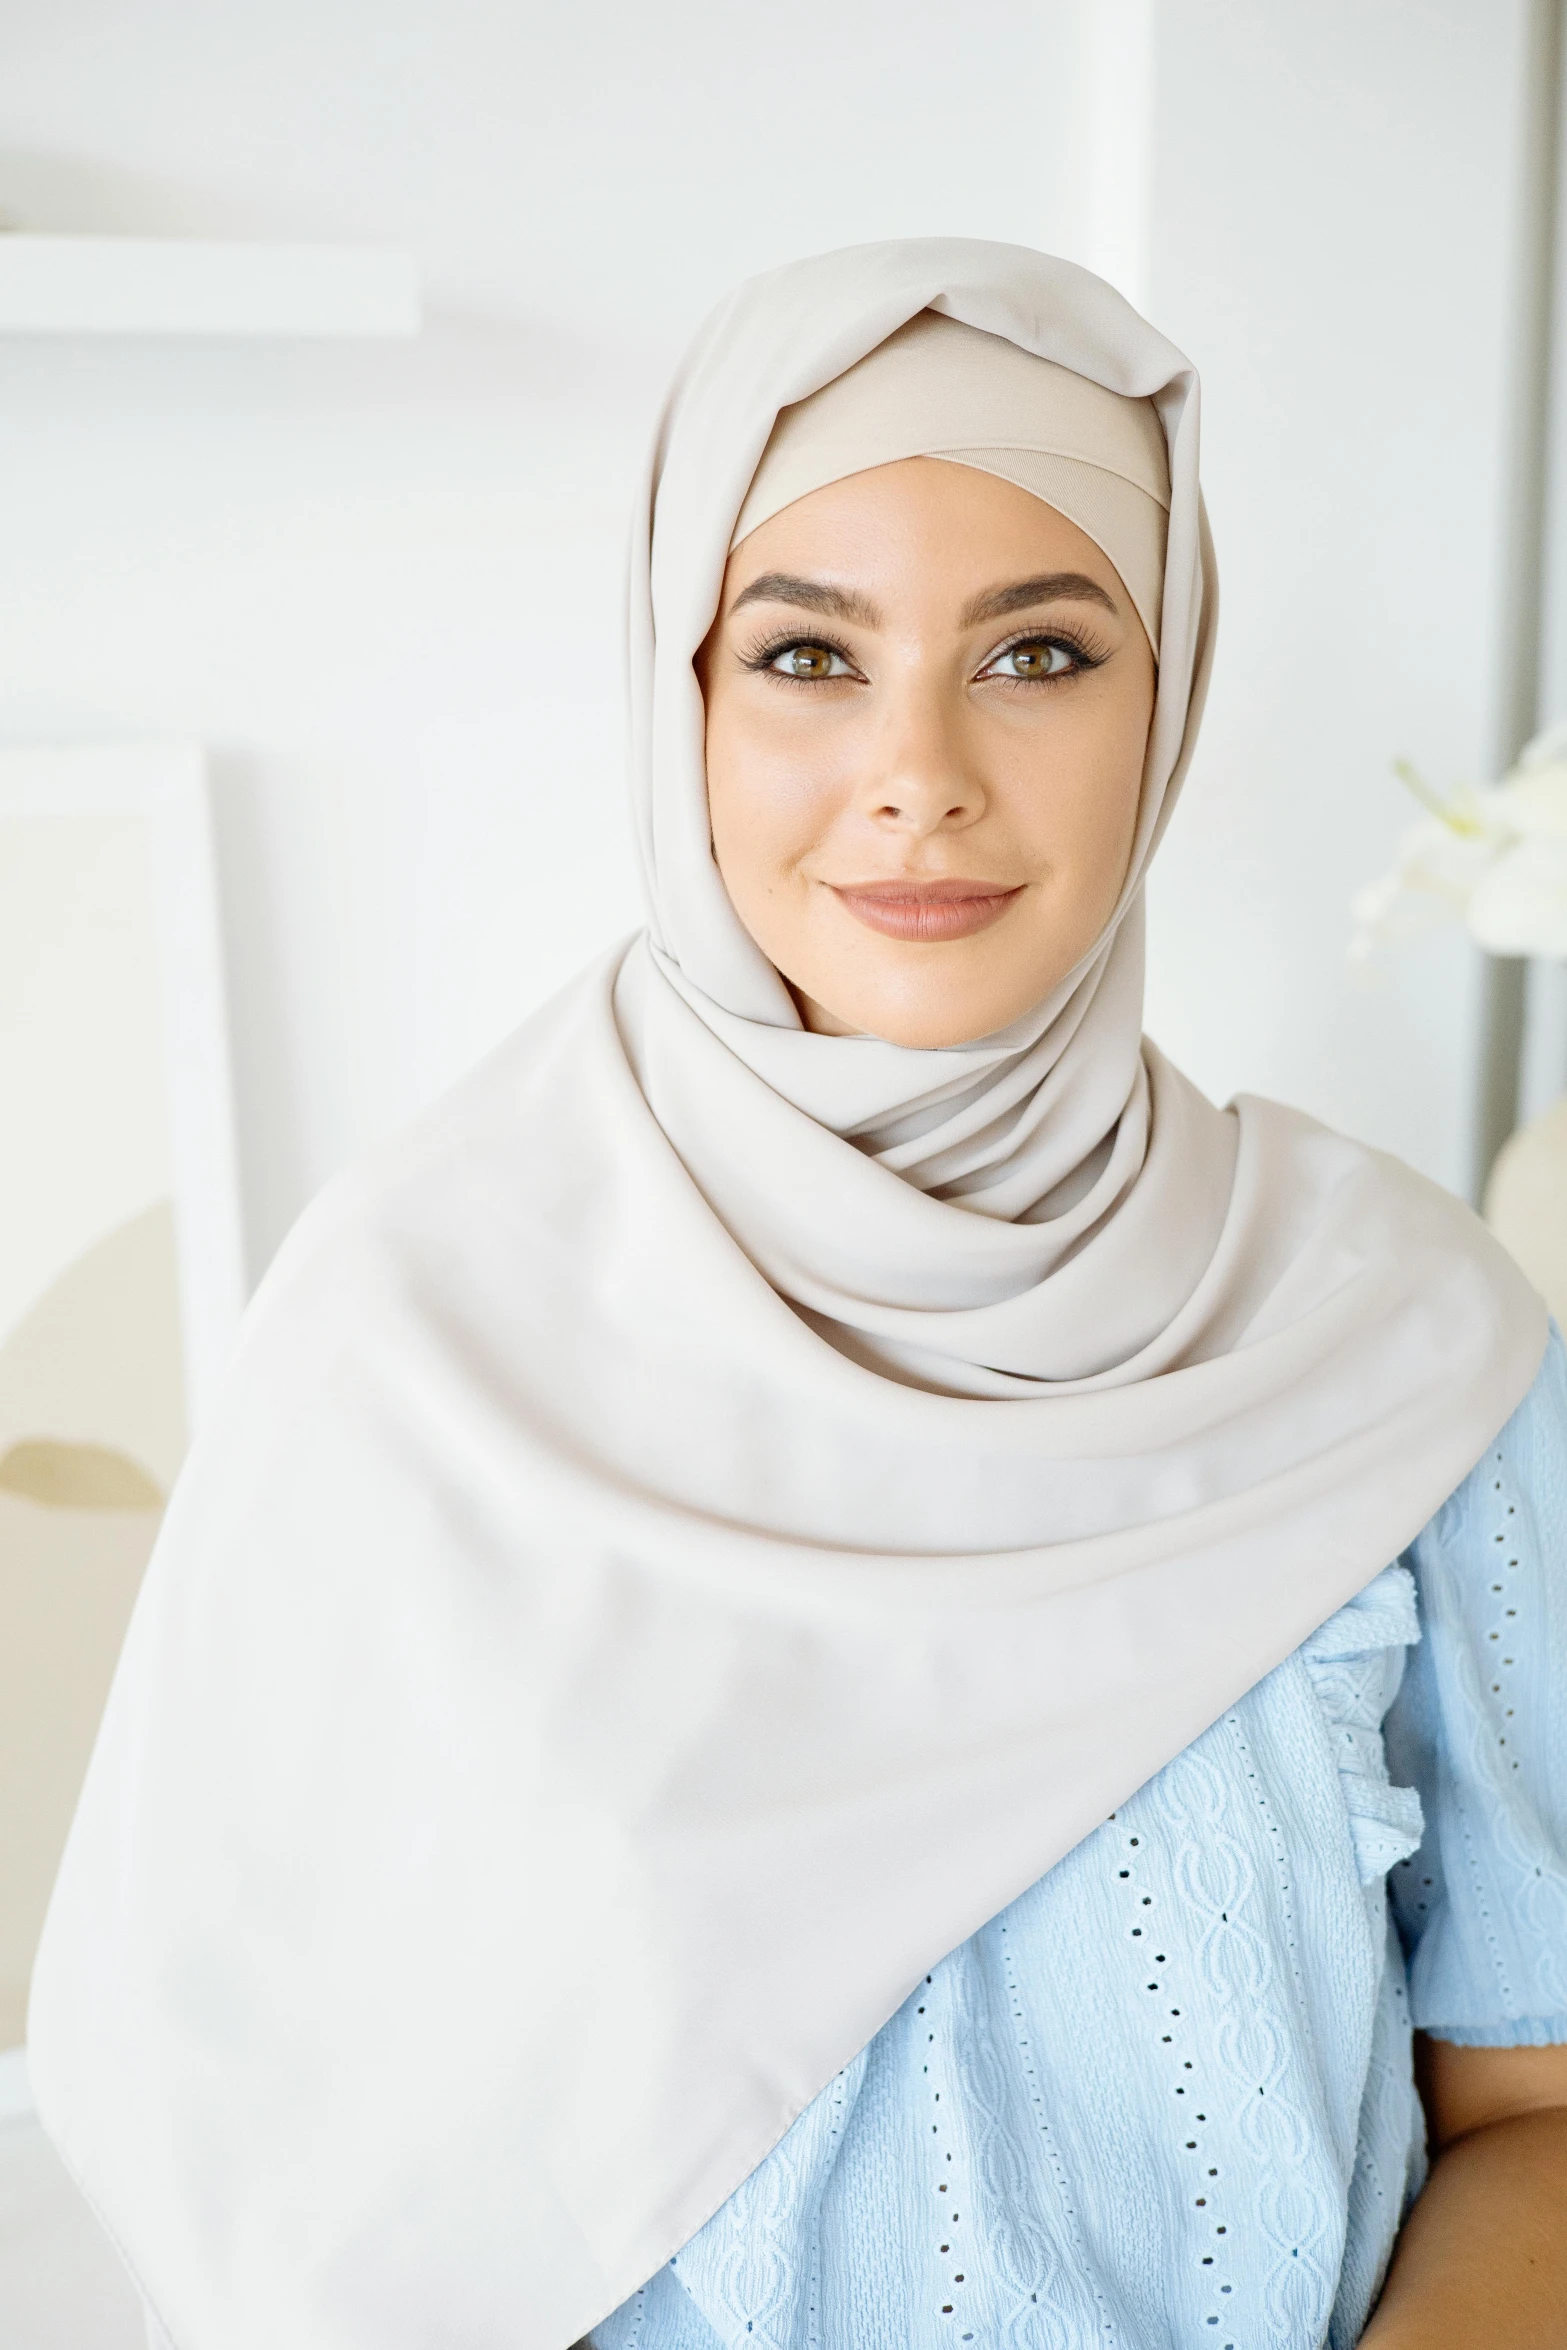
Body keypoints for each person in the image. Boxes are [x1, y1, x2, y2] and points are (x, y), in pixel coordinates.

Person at [28, 241, 1567, 2350]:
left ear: (1171, 690)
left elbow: (1537, 2104)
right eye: (807, 657)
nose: (919, 767)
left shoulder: (1402, 1339)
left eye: (1039, 653)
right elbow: (226, 2137)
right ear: (681, 689)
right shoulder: (414, 1333)